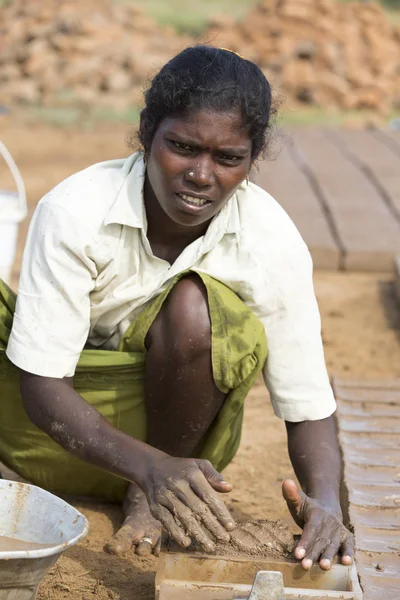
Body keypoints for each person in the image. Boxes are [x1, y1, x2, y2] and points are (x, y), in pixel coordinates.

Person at [0, 45, 354, 570]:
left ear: (252, 160)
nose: (201, 174)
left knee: (195, 306)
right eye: (183, 147)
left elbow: (306, 399)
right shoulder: (75, 212)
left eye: (229, 158)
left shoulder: (271, 239)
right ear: (147, 134)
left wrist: (324, 501)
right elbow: (43, 388)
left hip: (185, 471)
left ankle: (146, 500)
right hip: (49, 447)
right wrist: (150, 467)